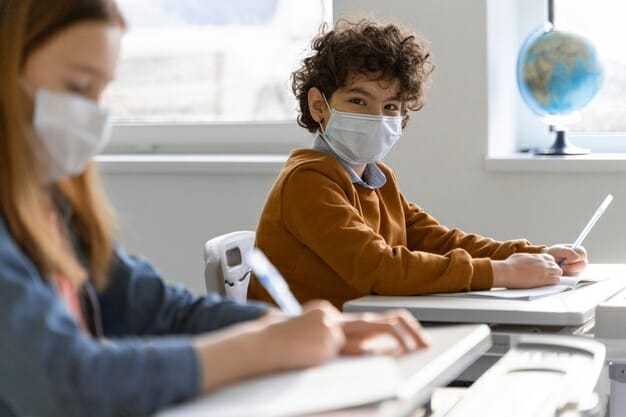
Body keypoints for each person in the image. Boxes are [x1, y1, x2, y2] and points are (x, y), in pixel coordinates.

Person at [0, 3, 429, 416]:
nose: (92, 115)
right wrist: (263, 346)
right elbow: (67, 385)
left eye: (101, 93)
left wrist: (290, 327)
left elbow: (159, 310)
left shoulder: (55, 210)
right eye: (77, 88)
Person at [247, 18, 588, 309]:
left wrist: (533, 254)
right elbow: (380, 267)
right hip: (305, 355)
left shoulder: (376, 179)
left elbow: (441, 241)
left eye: (391, 107)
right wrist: (505, 273)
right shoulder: (307, 181)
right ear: (319, 106)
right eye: (358, 101)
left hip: (355, 337)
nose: (376, 117)